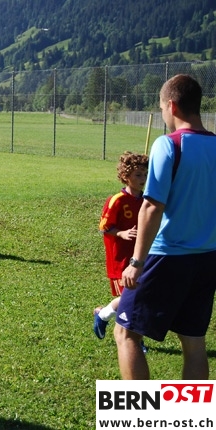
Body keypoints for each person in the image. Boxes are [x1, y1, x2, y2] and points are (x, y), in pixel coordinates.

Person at [118, 74, 216, 380]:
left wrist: (136, 262)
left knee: (126, 333)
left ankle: (137, 411)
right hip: (207, 259)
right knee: (194, 345)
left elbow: (151, 206)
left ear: (171, 106)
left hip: (167, 257)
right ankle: (193, 411)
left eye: (161, 108)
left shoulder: (168, 144)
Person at [94, 151, 148, 343]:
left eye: (145, 174)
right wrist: (121, 233)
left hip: (142, 256)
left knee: (139, 297)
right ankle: (105, 317)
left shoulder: (147, 200)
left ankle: (103, 314)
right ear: (126, 176)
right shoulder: (117, 200)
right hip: (121, 259)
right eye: (138, 175)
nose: (142, 179)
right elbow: (104, 226)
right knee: (130, 299)